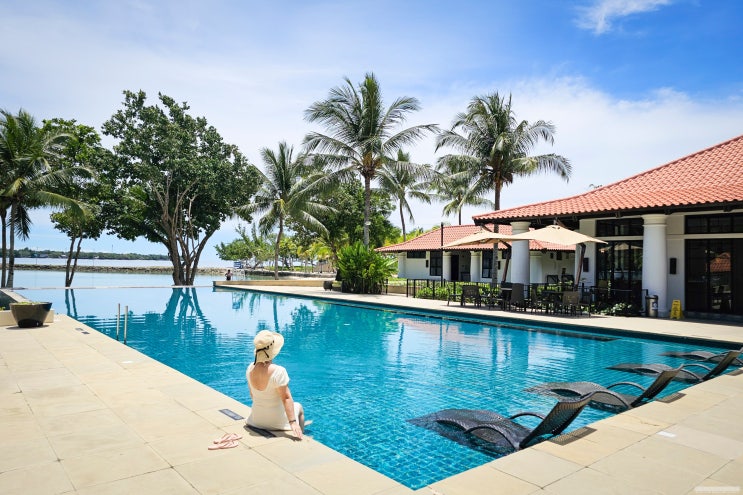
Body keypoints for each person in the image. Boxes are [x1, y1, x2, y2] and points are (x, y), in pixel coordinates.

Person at [246, 330, 305, 439]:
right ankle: (301, 434)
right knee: (299, 407)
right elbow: (286, 398)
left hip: (256, 420)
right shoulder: (278, 371)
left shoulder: (250, 368)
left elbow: (252, 395)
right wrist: (292, 422)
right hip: (276, 422)